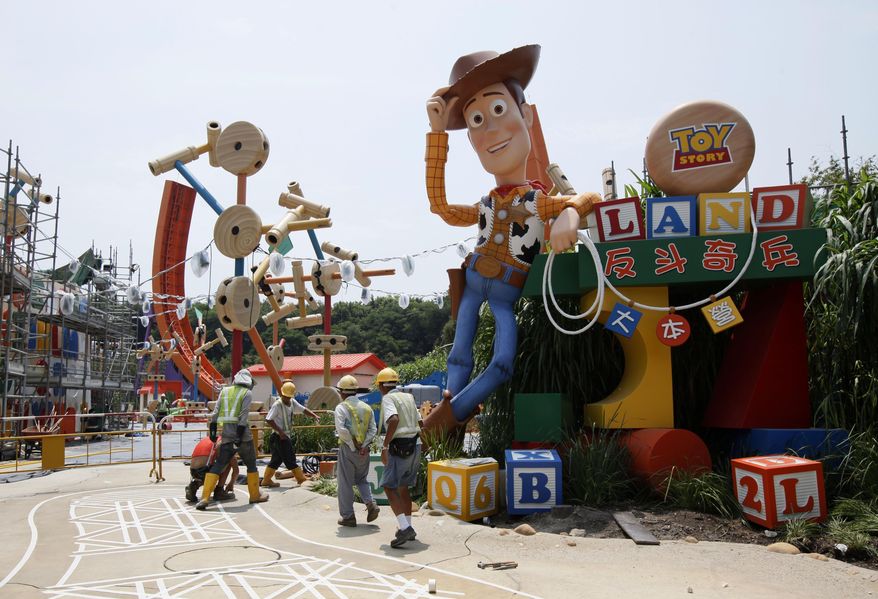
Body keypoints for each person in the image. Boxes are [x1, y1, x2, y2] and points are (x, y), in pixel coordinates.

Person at [423, 45, 601, 434]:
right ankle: (449, 418)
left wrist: (569, 214)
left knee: (503, 361)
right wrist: (437, 136)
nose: (489, 129)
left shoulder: (539, 202)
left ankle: (448, 418)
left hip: (506, 291)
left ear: (527, 115)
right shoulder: (485, 203)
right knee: (459, 354)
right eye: (476, 119)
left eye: (499, 110)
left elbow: (588, 198)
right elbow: (441, 206)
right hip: (473, 284)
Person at [196, 369, 268, 510]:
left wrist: (212, 432)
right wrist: (239, 439)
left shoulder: (224, 392)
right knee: (251, 465)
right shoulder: (247, 393)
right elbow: (243, 417)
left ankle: (204, 498)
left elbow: (215, 414)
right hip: (243, 438)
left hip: (227, 436)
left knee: (219, 465)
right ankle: (254, 496)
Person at [376, 368, 423, 548]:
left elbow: (394, 420)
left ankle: (404, 528)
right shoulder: (408, 397)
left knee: (389, 487)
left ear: (381, 385)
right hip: (415, 445)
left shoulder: (388, 398)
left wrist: (385, 446)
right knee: (403, 488)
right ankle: (408, 526)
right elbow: (421, 423)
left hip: (399, 448)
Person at [334, 374, 380, 527]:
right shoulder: (366, 408)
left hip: (348, 449)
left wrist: (354, 445)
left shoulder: (341, 408)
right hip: (364, 452)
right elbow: (373, 429)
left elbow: (342, 430)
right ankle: (371, 503)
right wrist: (365, 445)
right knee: (362, 479)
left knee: (345, 483)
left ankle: (348, 516)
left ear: (342, 392)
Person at [261, 379, 318, 488]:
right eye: (285, 396)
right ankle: (301, 479)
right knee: (290, 459)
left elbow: (303, 409)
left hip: (284, 436)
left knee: (276, 460)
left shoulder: (292, 402)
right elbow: (268, 419)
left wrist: (314, 415)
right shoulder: (277, 405)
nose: (287, 398)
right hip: (279, 437)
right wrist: (280, 432)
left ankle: (266, 480)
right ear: (282, 394)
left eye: (289, 397)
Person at [185, 434, 238, 503]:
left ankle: (195, 485)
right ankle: (219, 490)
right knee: (228, 462)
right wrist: (231, 483)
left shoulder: (209, 439)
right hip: (205, 470)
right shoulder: (225, 443)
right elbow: (236, 469)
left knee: (211, 467)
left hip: (193, 471)